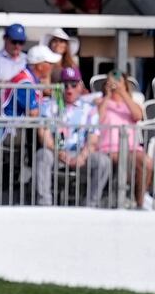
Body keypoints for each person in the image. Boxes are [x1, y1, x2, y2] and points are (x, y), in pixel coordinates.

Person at [34, 67, 110, 207]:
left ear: (80, 86)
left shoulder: (89, 108)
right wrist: (59, 152)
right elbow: (43, 134)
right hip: (55, 152)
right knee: (42, 155)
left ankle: (90, 206)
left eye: (73, 85)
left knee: (103, 161)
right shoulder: (48, 106)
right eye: (65, 85)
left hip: (81, 154)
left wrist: (83, 155)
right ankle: (44, 205)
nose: (69, 89)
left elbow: (93, 139)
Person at [95, 69, 153, 207]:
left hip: (131, 148)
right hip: (108, 148)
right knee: (132, 164)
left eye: (118, 81)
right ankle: (132, 199)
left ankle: (140, 202)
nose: (115, 84)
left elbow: (138, 116)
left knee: (147, 162)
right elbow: (97, 118)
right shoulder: (100, 101)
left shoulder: (131, 104)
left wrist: (122, 92)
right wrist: (108, 95)